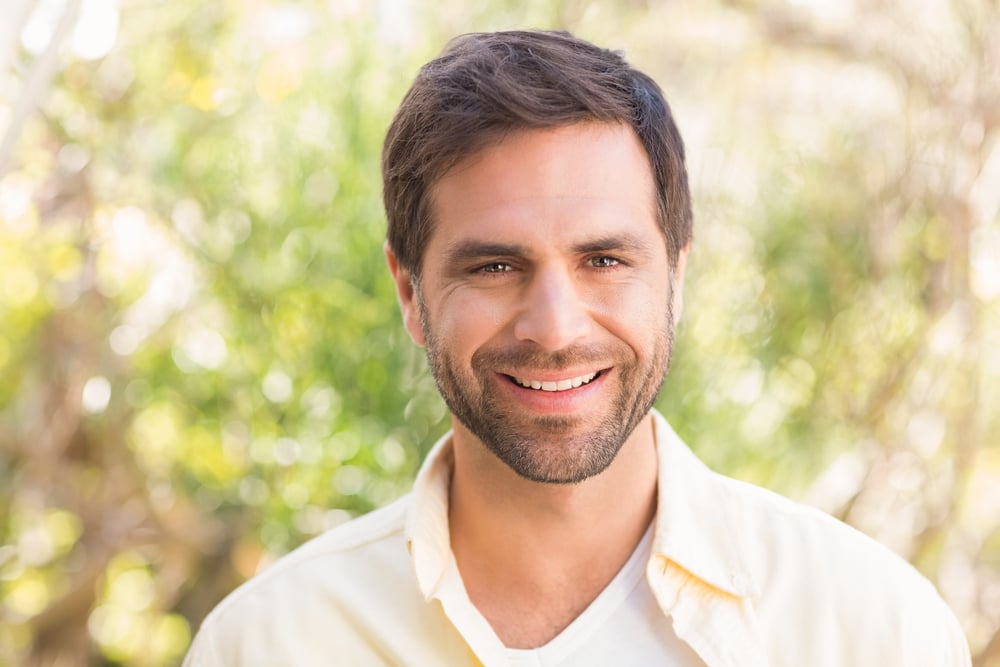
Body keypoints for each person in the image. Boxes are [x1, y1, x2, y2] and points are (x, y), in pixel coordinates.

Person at [183, 29, 970, 666]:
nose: (555, 329)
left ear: (676, 274)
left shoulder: (871, 632)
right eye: (494, 265)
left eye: (605, 260)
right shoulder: (268, 644)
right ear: (409, 293)